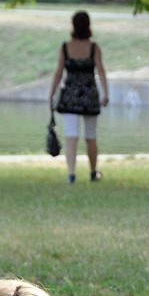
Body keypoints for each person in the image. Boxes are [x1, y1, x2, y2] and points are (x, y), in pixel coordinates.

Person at [49, 11, 109, 184]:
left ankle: (71, 173)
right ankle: (92, 171)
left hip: (70, 97)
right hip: (90, 95)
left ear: (73, 25)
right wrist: (106, 93)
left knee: (71, 135)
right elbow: (101, 70)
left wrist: (52, 93)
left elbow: (59, 73)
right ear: (89, 25)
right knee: (91, 135)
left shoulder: (65, 48)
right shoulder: (94, 48)